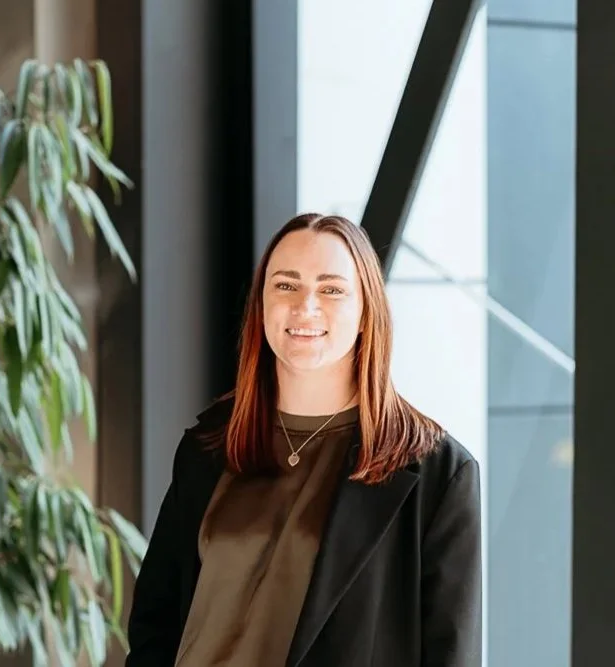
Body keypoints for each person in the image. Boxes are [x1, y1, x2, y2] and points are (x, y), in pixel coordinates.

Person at [125, 213, 482, 667]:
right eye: (285, 285)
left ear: (365, 312)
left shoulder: (438, 474)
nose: (305, 307)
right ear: (261, 304)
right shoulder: (210, 445)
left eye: (331, 289)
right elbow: (155, 622)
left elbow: (452, 655)